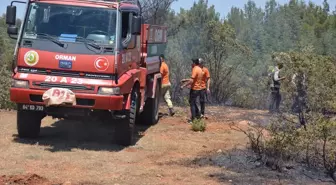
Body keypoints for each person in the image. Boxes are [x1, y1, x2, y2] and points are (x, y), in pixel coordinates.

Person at [181, 58, 204, 123]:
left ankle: (193, 119)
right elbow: (195, 79)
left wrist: (184, 85)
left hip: (195, 89)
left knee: (192, 104)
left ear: (194, 63)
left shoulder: (195, 69)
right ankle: (198, 115)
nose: (191, 64)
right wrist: (185, 80)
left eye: (192, 62)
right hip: (199, 89)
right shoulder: (200, 69)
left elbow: (192, 80)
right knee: (193, 102)